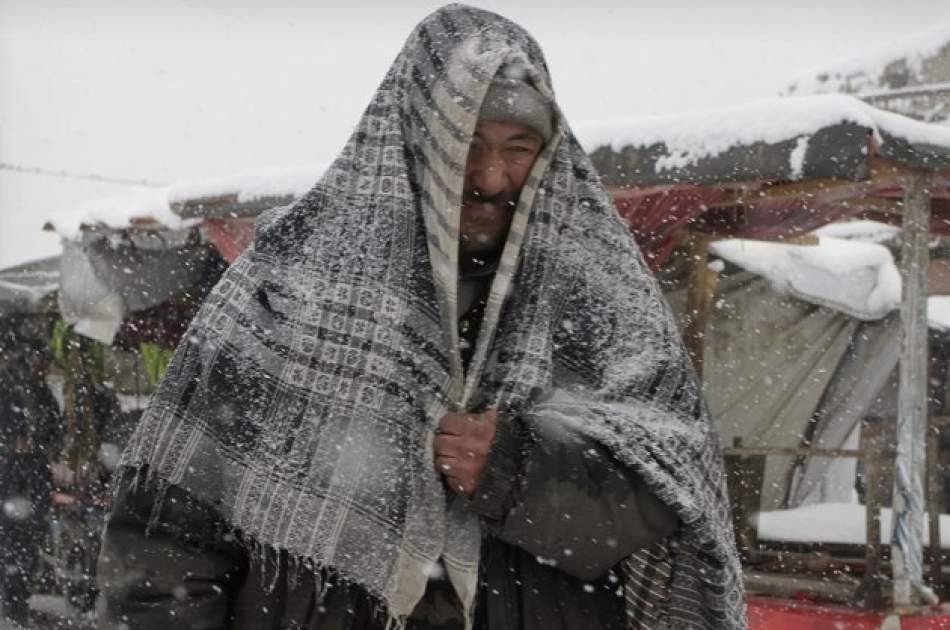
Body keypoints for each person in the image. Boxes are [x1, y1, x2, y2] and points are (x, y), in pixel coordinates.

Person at [96, 5, 744, 630]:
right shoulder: (283, 291)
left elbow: (673, 497)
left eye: (519, 147)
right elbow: (167, 537)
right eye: (468, 144)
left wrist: (520, 470)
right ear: (416, 136)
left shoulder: (597, 301)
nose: (491, 178)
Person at [0, 346, 62, 625]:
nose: (42, 366)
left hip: (34, 472)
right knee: (10, 536)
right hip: (11, 472)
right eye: (38, 360)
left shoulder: (41, 394)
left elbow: (55, 429)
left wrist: (42, 444)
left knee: (29, 536)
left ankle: (18, 596)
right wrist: (10, 443)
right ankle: (12, 596)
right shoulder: (7, 392)